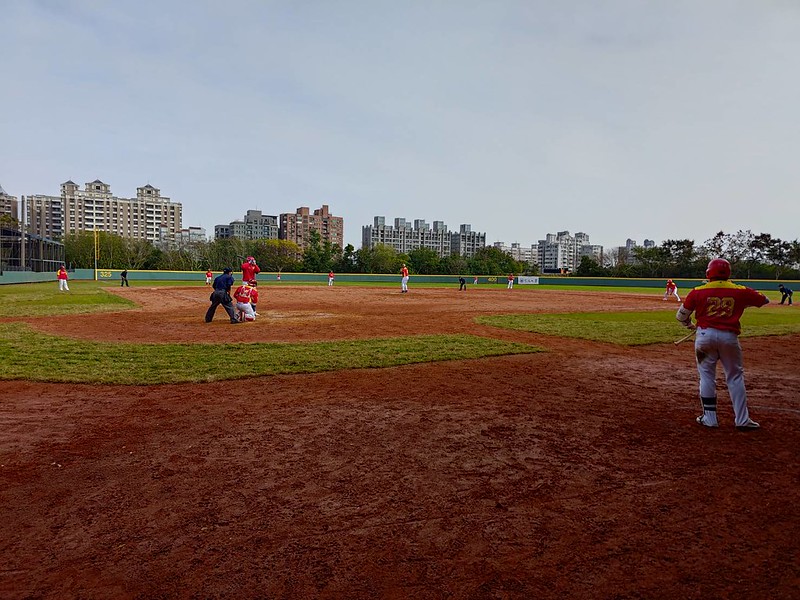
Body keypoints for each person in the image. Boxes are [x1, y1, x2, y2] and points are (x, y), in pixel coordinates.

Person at [676, 258, 769, 431]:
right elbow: (764, 300)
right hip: (729, 338)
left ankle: (710, 418)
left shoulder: (698, 291)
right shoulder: (740, 290)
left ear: (708, 273)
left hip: (704, 337)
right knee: (735, 376)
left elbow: (681, 316)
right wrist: (742, 303)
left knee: (706, 376)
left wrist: (689, 324)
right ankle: (742, 420)